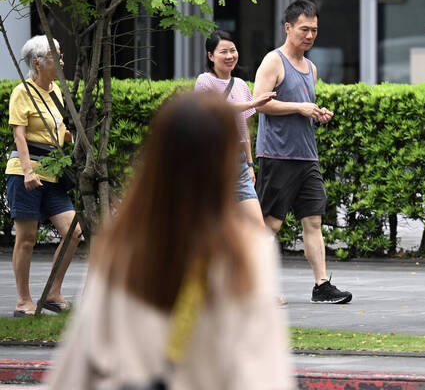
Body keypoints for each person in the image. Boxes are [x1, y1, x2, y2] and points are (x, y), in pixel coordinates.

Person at [47, 93, 293, 389]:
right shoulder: (247, 252)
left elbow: (76, 372)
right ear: (228, 161)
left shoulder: (122, 246)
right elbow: (262, 375)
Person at [252, 0, 352, 304]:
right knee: (270, 224)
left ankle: (322, 285)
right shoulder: (274, 61)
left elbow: (301, 108)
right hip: (276, 155)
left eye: (314, 30)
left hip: (307, 156)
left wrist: (316, 112)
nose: (309, 35)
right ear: (288, 27)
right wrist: (299, 106)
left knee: (313, 221)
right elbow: (259, 102)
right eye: (304, 29)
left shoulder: (311, 67)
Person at [5, 35, 82, 317]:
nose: (62, 61)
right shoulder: (22, 92)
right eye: (56, 56)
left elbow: (55, 129)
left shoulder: (56, 91)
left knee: (73, 232)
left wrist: (69, 137)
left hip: (54, 174)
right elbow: (19, 134)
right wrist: (27, 171)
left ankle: (52, 292)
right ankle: (23, 301)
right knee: (27, 237)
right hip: (25, 173)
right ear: (38, 63)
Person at [194, 30, 276, 226]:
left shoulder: (240, 85)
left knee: (257, 226)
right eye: (223, 51)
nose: (230, 56)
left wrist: (249, 164)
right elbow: (216, 110)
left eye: (233, 50)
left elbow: (243, 128)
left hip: (239, 162)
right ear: (211, 56)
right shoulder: (204, 81)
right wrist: (252, 103)